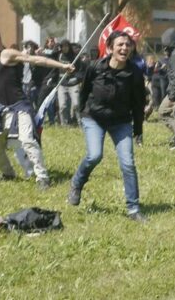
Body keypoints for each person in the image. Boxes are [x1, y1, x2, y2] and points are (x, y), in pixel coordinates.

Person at [0, 29, 75, 190]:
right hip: (5, 111)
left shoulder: (6, 54)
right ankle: (8, 174)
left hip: (21, 107)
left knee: (27, 140)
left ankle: (42, 178)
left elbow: (34, 59)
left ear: (1, 43)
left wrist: (62, 65)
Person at [67, 31, 148, 222]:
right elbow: (84, 90)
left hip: (121, 122)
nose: (124, 48)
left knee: (128, 163)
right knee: (95, 155)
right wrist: (82, 111)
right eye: (120, 45)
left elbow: (138, 103)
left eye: (127, 45)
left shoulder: (134, 73)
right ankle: (77, 184)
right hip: (94, 118)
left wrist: (138, 130)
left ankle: (133, 209)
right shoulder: (94, 67)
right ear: (110, 48)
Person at [55, 40, 84, 125]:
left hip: (73, 84)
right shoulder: (59, 56)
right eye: (63, 46)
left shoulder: (75, 57)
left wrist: (77, 78)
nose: (65, 48)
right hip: (62, 84)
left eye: (66, 46)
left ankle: (80, 123)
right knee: (62, 106)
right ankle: (64, 124)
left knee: (76, 105)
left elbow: (81, 71)